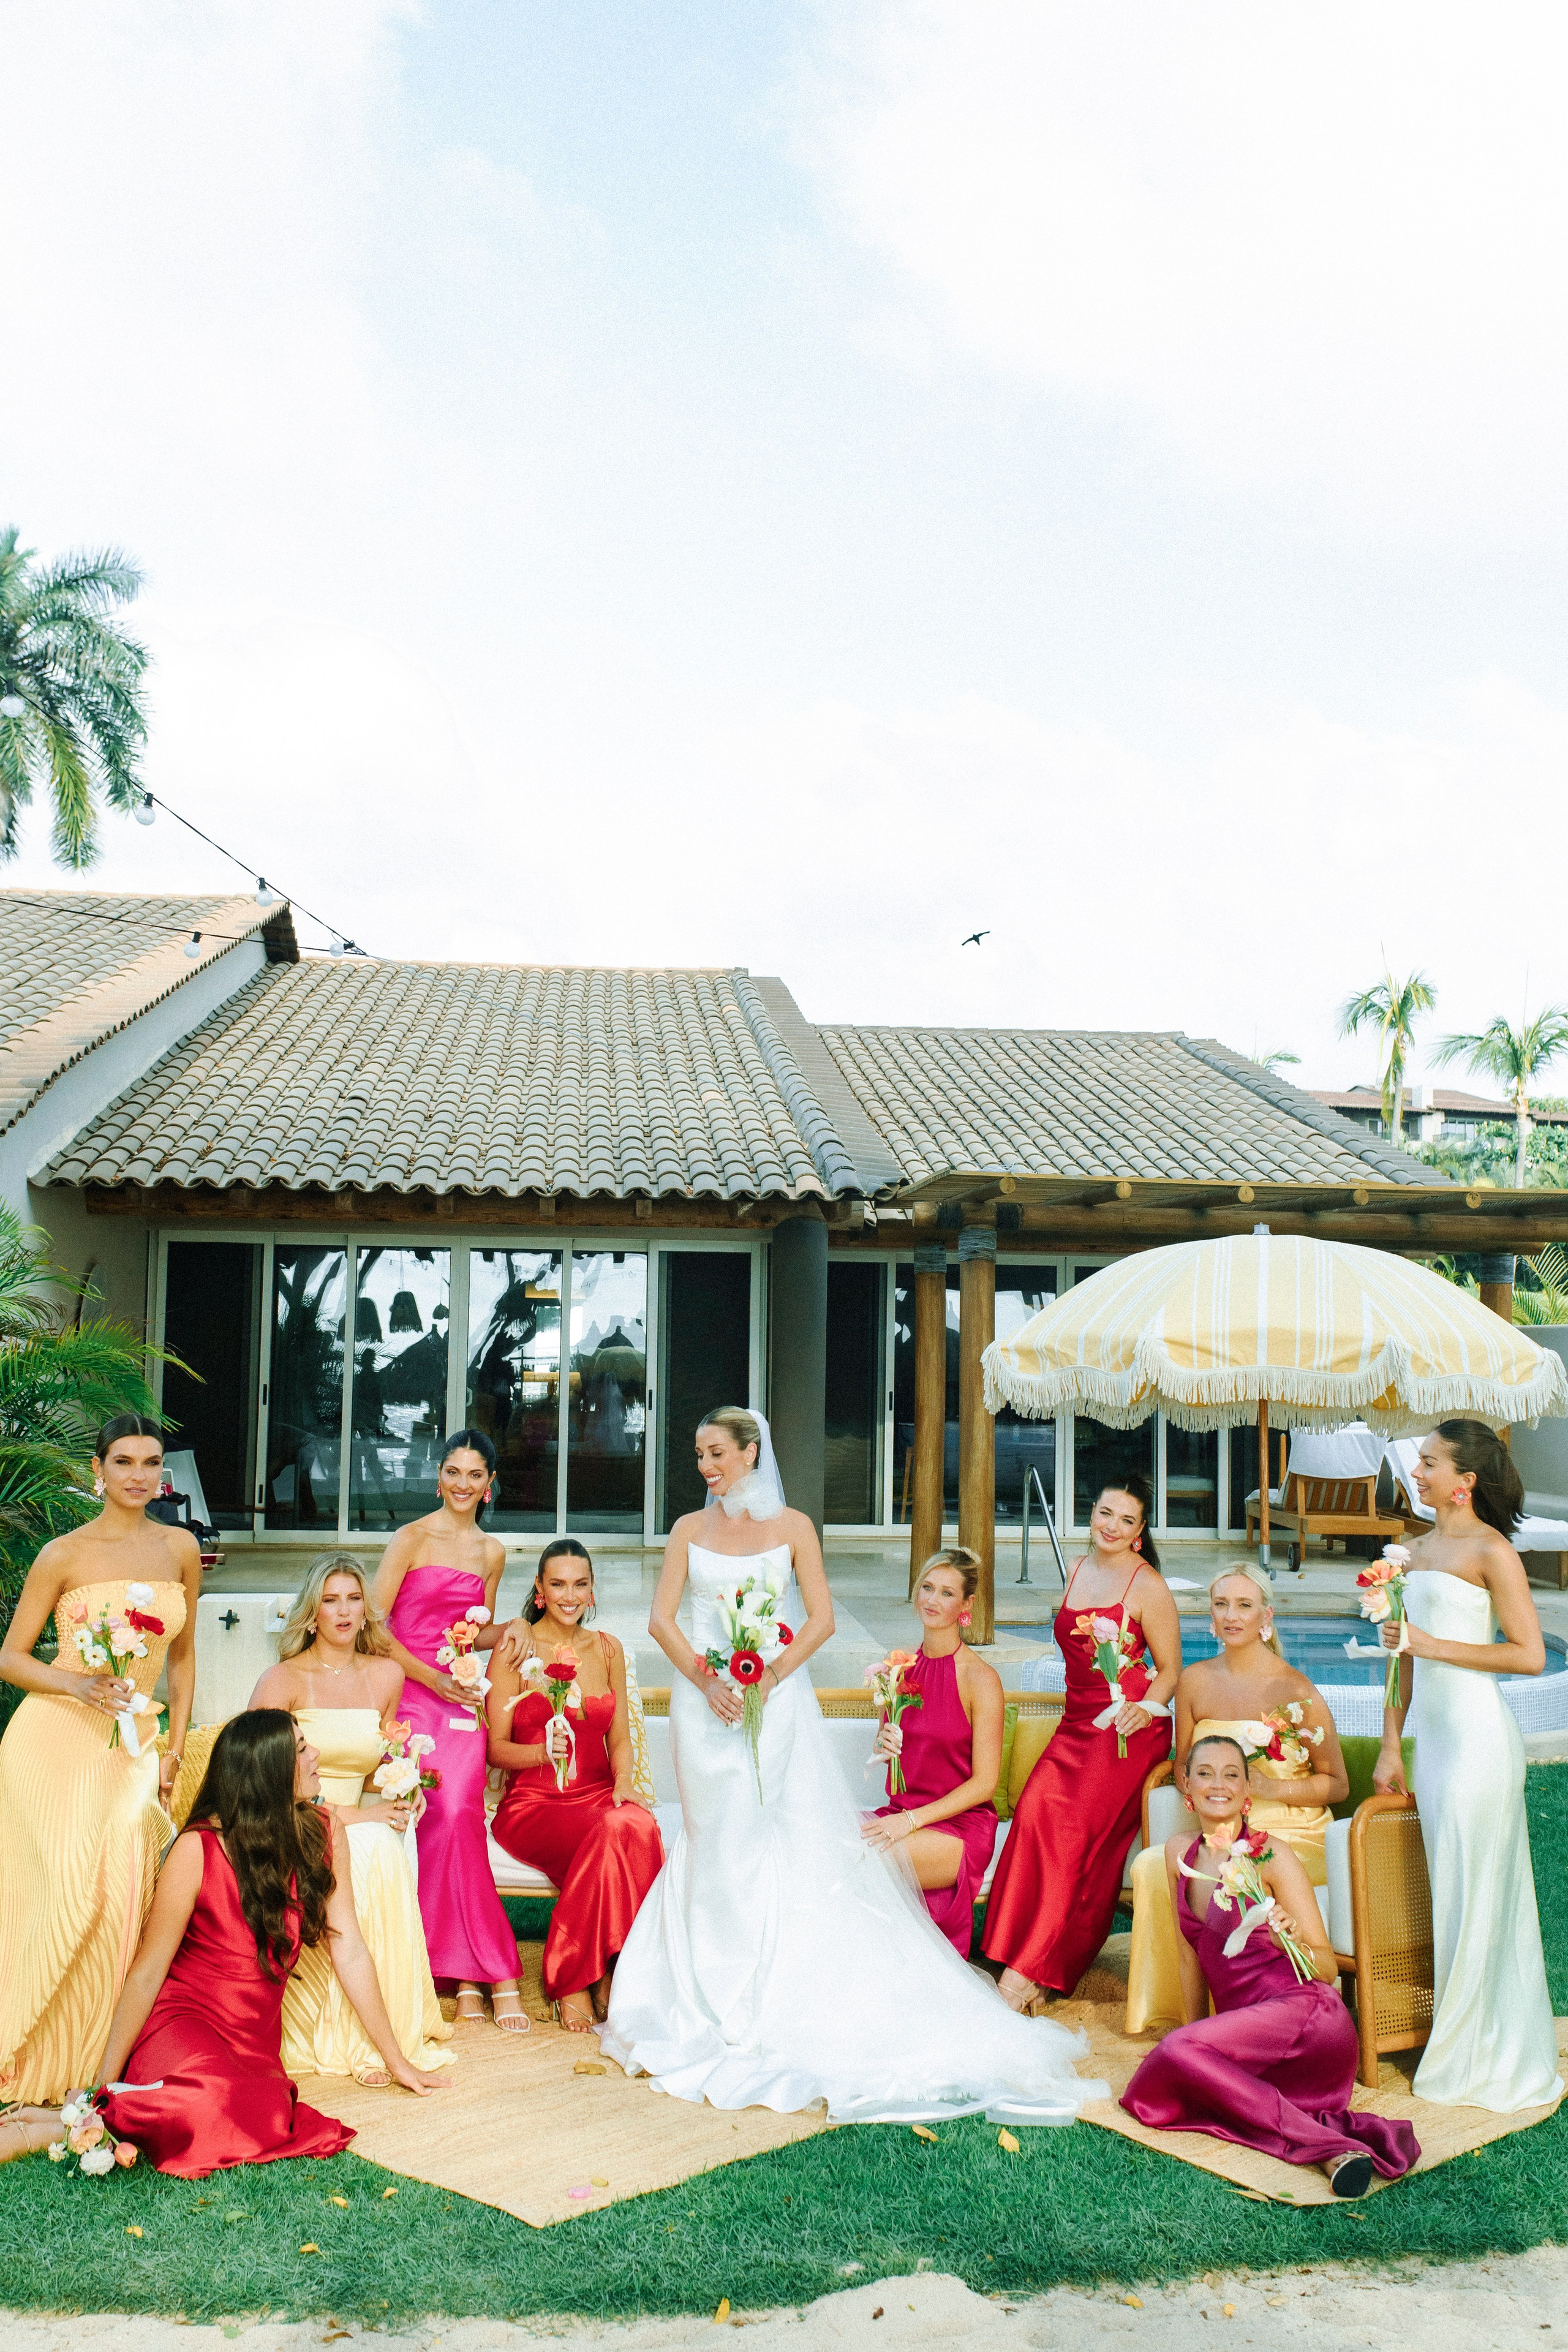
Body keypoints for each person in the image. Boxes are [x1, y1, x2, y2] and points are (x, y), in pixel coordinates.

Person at [597, 1407, 1107, 2123]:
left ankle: (772, 1985)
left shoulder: (795, 1527)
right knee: (714, 1835)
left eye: (716, 1453)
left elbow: (821, 1619)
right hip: (702, 1703)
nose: (705, 1466)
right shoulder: (687, 1530)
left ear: (750, 1453)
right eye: (699, 1455)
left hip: (773, 1700)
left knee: (765, 1834)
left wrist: (769, 1677)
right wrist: (705, 1679)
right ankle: (702, 1988)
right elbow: (661, 1619)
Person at [0, 1712, 448, 2172]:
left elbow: (349, 1948)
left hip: (252, 2045)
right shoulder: (198, 1848)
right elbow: (148, 1971)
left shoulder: (323, 1831)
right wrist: (103, 2080)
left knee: (263, 2114)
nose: (315, 1755)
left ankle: (80, 2115)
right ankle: (79, 2114)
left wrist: (398, 2061)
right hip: (183, 2023)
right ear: (267, 1772)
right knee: (210, 2103)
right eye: (300, 1749)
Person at [0, 1415, 203, 2106]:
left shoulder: (180, 1548)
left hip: (135, 1741)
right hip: (53, 1736)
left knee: (120, 1882)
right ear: (99, 1469)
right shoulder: (62, 1554)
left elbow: (182, 1656)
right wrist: (79, 1683)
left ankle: (95, 2055)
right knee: (60, 1885)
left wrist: (174, 1749)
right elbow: (11, 1658)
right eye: (124, 1462)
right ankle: (26, 2046)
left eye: (151, 1462)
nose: (138, 1475)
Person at [1121, 1733, 1418, 2192]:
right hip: (1252, 2034)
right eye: (1205, 1773)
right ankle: (1329, 2150)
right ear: (1188, 1789)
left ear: (1247, 1793)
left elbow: (1327, 1968)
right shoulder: (1176, 1852)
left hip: (1309, 2020)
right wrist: (1195, 2036)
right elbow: (1190, 1956)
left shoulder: (1270, 1855)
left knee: (1172, 2060)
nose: (1217, 1784)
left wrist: (1290, 1940)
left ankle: (1323, 2146)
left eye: (1231, 1775)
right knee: (1166, 2073)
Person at [1374, 1418, 1562, 2113]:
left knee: (1480, 1892)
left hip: (1481, 1745)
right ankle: (1463, 2038)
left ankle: (1483, 2053)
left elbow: (1530, 1655)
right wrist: (1393, 1746)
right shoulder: (1412, 1551)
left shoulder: (1491, 1552)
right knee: (1451, 1895)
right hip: (1438, 1749)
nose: (1415, 1473)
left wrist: (1433, 1643)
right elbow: (1400, 1660)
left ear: (1465, 1481)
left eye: (1427, 1462)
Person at [248, 1556, 453, 2084]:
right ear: (312, 1613)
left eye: (354, 1599)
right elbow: (264, 1784)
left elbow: (374, 1768)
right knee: (365, 1847)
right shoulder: (283, 1679)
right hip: (293, 1819)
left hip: (355, 1814)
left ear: (367, 1612)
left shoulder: (386, 1675)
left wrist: (402, 1793)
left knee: (383, 1843)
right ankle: (347, 2034)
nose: (343, 1611)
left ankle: (379, 2034)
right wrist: (361, 1815)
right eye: (331, 1600)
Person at [981, 1475, 1180, 2009]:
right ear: (1091, 1513)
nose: (1112, 1526)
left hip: (1127, 1729)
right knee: (1033, 1811)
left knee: (1074, 1837)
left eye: (1126, 1520)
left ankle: (1034, 1970)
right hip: (1077, 1722)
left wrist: (1146, 1709)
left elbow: (1170, 1670)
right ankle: (1010, 1949)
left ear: (1140, 1532)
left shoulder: (1148, 1586)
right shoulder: (1076, 1567)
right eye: (1105, 1513)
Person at [1125, 1562, 1348, 2034]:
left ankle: (1259, 2012)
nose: (1232, 1615)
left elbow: (1338, 1783)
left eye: (1244, 1606)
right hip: (1218, 1826)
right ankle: (1175, 2013)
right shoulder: (1194, 1681)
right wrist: (1201, 1784)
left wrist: (1270, 1787)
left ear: (1265, 1616)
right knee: (1149, 1864)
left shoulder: (1295, 1689)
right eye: (1221, 1604)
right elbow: (1184, 1764)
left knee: (1239, 1871)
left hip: (1288, 1830)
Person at [370, 1429, 529, 2031]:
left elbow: (476, 1628)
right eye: (453, 1472)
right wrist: (429, 1680)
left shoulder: (491, 1552)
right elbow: (377, 1626)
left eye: (475, 1475)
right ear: (439, 1478)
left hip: (460, 1699)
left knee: (461, 1809)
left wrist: (513, 1626)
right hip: (408, 1693)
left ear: (490, 1486)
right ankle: (473, 1969)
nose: (463, 1484)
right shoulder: (410, 1538)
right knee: (430, 1810)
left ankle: (463, 1966)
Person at [486, 1540, 665, 2029]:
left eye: (580, 1585)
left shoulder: (608, 1649)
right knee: (614, 1829)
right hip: (535, 1801)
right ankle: (576, 1976)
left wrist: (625, 1781)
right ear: (540, 1591)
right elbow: (494, 1748)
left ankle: (607, 1967)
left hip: (600, 1793)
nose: (570, 1595)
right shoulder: (515, 1649)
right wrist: (544, 1753)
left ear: (592, 1591)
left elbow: (621, 1738)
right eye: (558, 1584)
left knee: (637, 1825)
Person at [861, 1547, 1002, 1958]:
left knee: (862, 1861)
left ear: (966, 1604)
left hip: (959, 1829)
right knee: (822, 1842)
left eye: (946, 1593)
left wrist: (912, 1820)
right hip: (901, 1815)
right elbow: (889, 1753)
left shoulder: (981, 1679)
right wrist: (882, 1745)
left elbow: (985, 1783)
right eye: (927, 1588)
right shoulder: (898, 1669)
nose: (931, 1601)